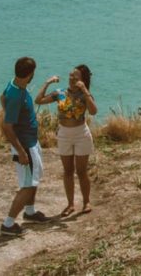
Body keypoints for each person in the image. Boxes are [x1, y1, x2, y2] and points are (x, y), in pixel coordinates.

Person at [0, 56, 56, 235]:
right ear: (30, 74)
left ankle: (30, 211)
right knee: (27, 185)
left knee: (34, 179)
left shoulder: (14, 85)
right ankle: (8, 224)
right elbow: (7, 127)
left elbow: (2, 97)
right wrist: (21, 151)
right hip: (25, 145)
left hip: (31, 141)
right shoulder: (16, 95)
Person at [51, 64, 98, 216]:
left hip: (81, 134)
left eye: (75, 77)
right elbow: (38, 100)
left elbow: (93, 111)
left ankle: (86, 202)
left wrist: (85, 90)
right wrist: (47, 83)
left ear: (82, 80)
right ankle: (70, 204)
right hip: (64, 134)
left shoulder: (85, 94)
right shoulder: (61, 93)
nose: (71, 79)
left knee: (82, 171)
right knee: (68, 171)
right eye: (70, 76)